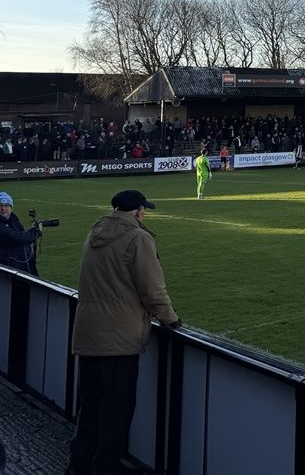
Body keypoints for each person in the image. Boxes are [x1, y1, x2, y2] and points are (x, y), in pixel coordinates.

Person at [69, 189, 181, 475]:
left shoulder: (96, 231)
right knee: (116, 411)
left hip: (88, 333)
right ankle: (104, 467)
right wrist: (171, 320)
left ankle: (79, 465)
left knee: (90, 407)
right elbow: (152, 289)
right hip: (118, 339)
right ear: (139, 212)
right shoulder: (138, 238)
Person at [0, 190, 41, 275]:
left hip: (20, 264)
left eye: (6, 205)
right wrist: (35, 232)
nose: (3, 209)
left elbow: (21, 234)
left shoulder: (13, 218)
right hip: (8, 268)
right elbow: (17, 238)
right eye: (0, 205)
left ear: (11, 207)